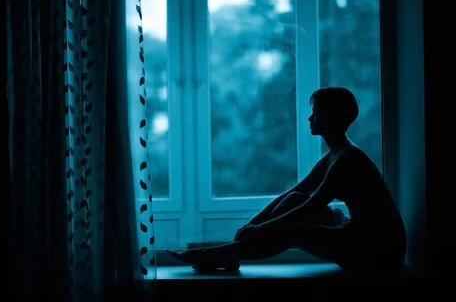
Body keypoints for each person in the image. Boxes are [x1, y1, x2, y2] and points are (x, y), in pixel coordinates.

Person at [167, 86, 407, 275]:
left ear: (334, 117)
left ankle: (217, 254)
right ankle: (226, 253)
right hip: (361, 237)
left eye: (317, 112)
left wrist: (259, 229)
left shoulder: (346, 161)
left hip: (378, 253)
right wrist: (253, 225)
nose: (310, 118)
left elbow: (311, 207)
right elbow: (297, 192)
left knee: (296, 231)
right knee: (294, 199)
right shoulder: (334, 155)